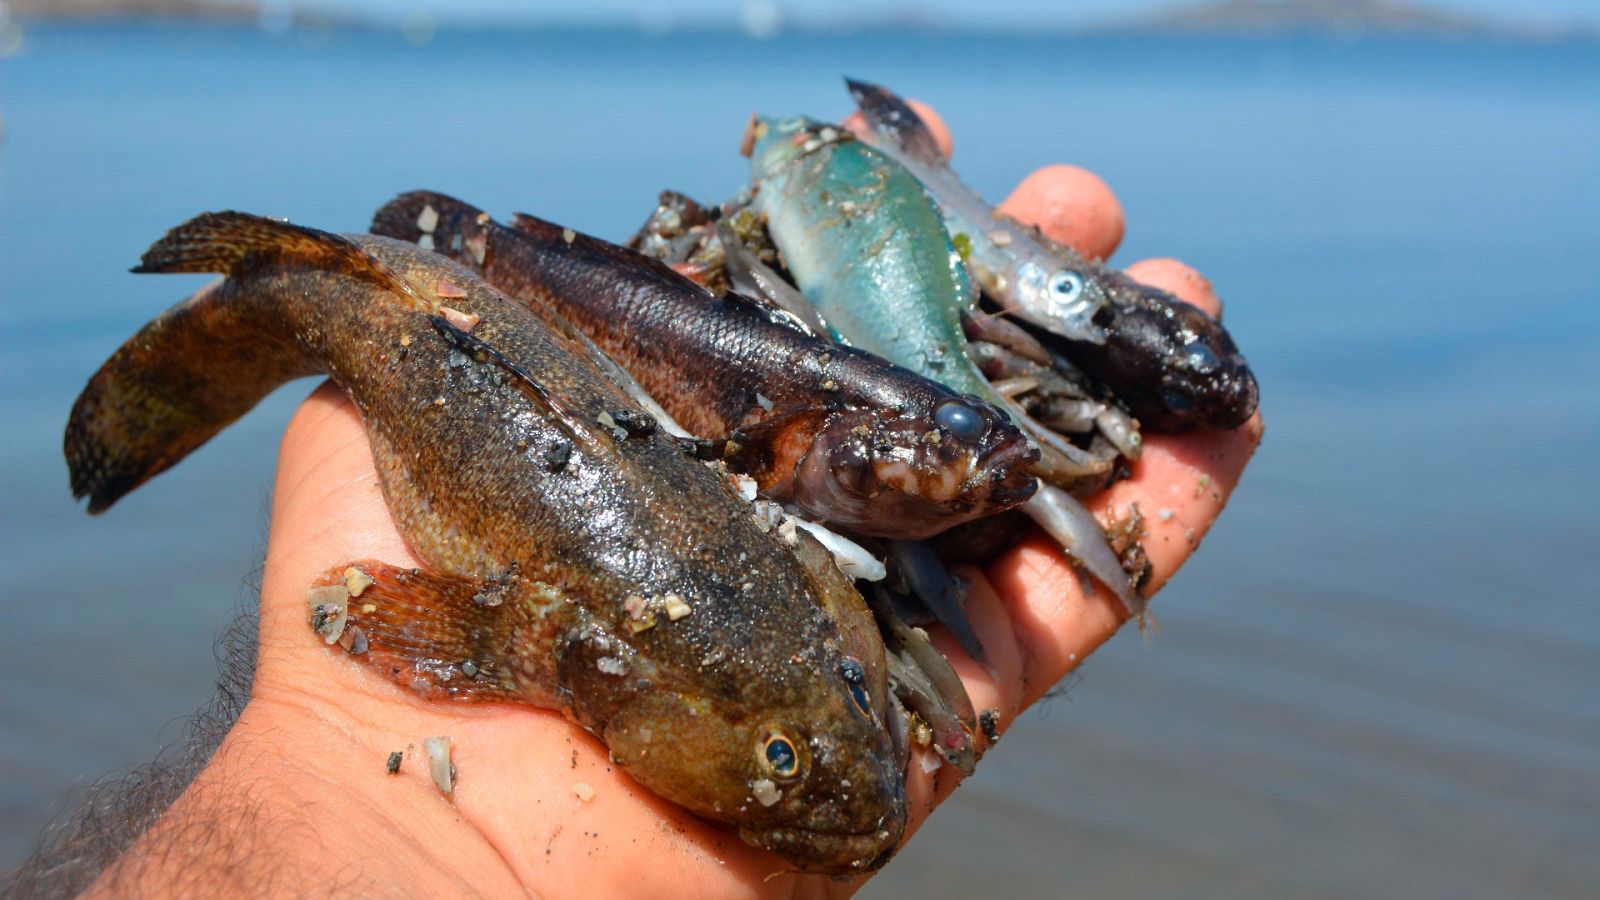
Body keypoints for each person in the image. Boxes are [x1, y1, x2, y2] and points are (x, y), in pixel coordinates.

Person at [46, 101, 1262, 898]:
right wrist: (354, 789)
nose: (845, 790)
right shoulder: (587, 651)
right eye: (786, 755)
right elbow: (379, 611)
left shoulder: (796, 581)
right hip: (407, 314)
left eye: (841, 705)